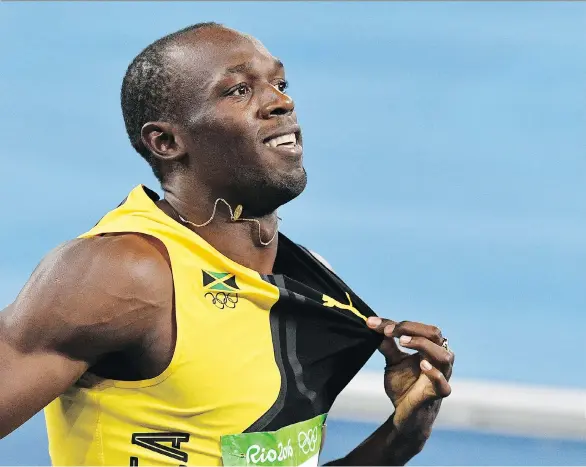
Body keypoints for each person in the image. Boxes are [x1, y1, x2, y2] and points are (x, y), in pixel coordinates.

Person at [0, 22, 454, 466]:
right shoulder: (123, 272)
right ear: (167, 141)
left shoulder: (304, 281)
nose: (281, 101)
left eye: (280, 82)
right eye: (239, 90)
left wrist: (399, 440)